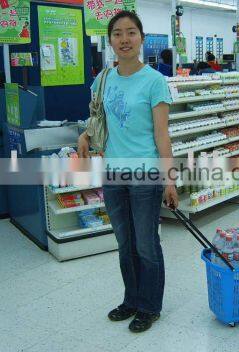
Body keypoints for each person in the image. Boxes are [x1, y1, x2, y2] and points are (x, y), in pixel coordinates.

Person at [77, 11, 178, 333]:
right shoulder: (103, 78)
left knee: (146, 244)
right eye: (118, 34)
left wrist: (169, 179)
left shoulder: (154, 80)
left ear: (142, 39)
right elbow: (98, 120)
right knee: (125, 243)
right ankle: (132, 299)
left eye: (131, 33)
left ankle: (150, 306)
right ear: (110, 41)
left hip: (146, 174)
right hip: (114, 174)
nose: (124, 39)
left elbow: (162, 134)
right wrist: (85, 134)